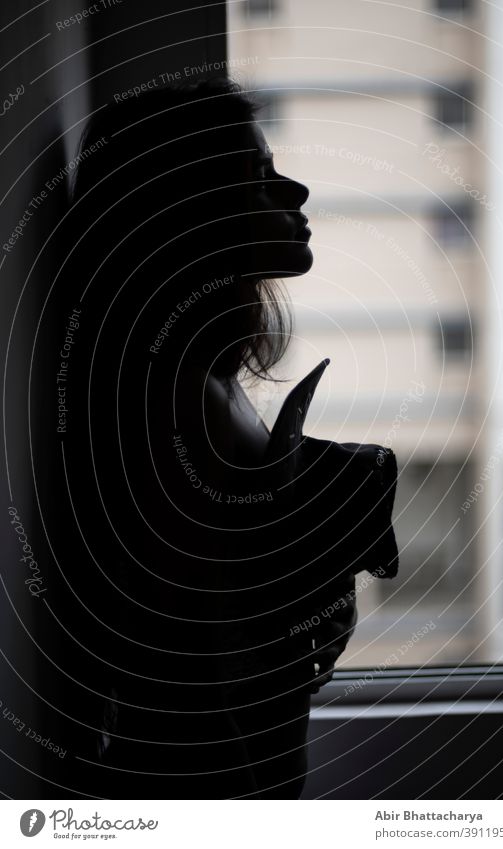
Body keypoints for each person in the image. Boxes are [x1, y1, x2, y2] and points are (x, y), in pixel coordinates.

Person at [59, 77, 391, 799]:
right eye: (259, 175)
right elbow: (198, 650)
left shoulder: (195, 374)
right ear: (186, 209)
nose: (295, 192)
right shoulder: (171, 394)